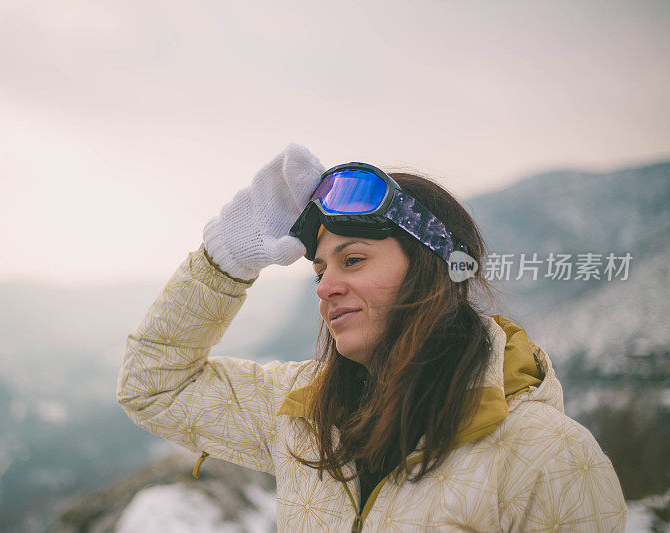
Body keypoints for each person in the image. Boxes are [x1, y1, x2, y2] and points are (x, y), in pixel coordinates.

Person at [116, 143, 627, 532]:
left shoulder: (547, 455)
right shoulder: (302, 415)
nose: (327, 287)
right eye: (319, 271)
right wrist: (225, 261)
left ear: (434, 269)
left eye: (353, 260)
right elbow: (155, 386)